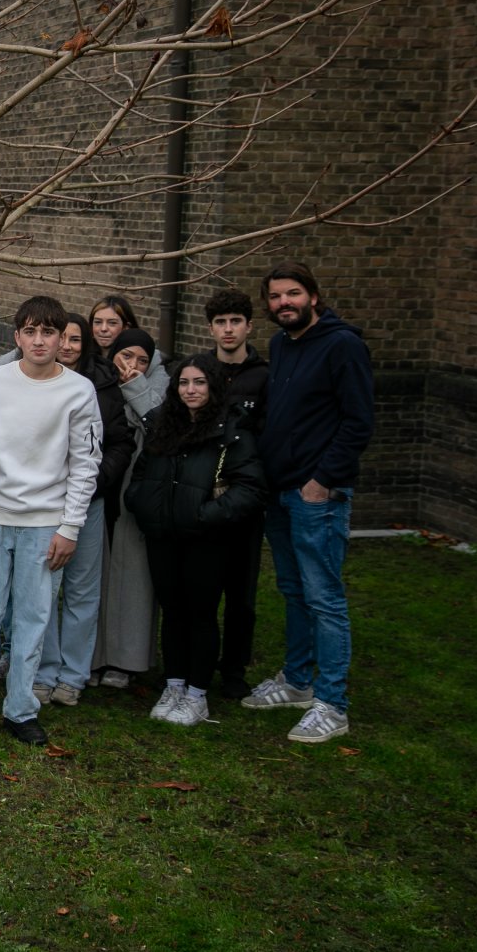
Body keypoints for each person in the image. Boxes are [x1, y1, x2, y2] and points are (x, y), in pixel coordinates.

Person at [0, 295, 101, 747]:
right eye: (29, 331)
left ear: (60, 338)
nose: (38, 340)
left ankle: (20, 709)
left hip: (45, 523)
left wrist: (69, 528)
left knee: (32, 618)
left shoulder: (78, 390)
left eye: (48, 332)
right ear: (17, 336)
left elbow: (84, 463)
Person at [242, 260, 373, 744]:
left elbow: (358, 423)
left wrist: (322, 482)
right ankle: (298, 681)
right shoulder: (281, 344)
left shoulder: (343, 346)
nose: (284, 304)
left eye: (293, 294)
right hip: (280, 491)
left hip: (317, 494)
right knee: (294, 592)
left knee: (325, 598)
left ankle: (332, 703)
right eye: (275, 297)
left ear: (313, 296)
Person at [124, 356, 269, 726]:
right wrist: (144, 507)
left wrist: (206, 516)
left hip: (207, 540)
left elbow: (250, 487)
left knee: (201, 613)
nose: (191, 390)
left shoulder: (232, 429)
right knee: (172, 612)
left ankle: (197, 693)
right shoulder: (162, 425)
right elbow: (141, 475)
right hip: (163, 536)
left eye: (199, 382)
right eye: (184, 383)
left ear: (214, 387)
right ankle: (174, 684)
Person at [32, 313, 136, 707]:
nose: (70, 346)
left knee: (81, 591)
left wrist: (92, 481)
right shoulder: (34, 382)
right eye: (65, 339)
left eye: (77, 339)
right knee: (44, 590)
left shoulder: (103, 384)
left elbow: (119, 444)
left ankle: (74, 674)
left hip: (89, 502)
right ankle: (44, 670)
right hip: (45, 503)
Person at [197, 288, 270, 698]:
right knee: (202, 589)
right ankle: (200, 666)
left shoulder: (263, 376)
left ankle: (235, 669)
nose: (228, 329)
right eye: (221, 322)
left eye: (235, 322)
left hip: (244, 498)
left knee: (242, 594)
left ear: (248, 326)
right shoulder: (198, 370)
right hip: (204, 494)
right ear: (211, 328)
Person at [92, 324, 166, 689]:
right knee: (96, 578)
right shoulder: (98, 382)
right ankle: (93, 656)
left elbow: (161, 425)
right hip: (101, 485)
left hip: (136, 489)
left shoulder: (159, 386)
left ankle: (126, 658)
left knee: (132, 579)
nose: (132, 365)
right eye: (125, 356)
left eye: (142, 360)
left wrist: (136, 385)